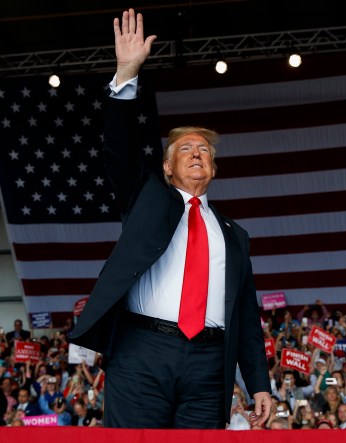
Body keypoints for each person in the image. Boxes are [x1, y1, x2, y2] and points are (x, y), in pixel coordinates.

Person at [69, 8, 271, 429]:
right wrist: (126, 73)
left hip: (210, 366)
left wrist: (259, 384)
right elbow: (120, 151)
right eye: (185, 149)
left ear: (214, 170)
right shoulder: (146, 198)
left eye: (204, 151)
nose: (196, 154)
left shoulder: (235, 236)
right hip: (143, 353)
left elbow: (247, 318)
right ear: (166, 168)